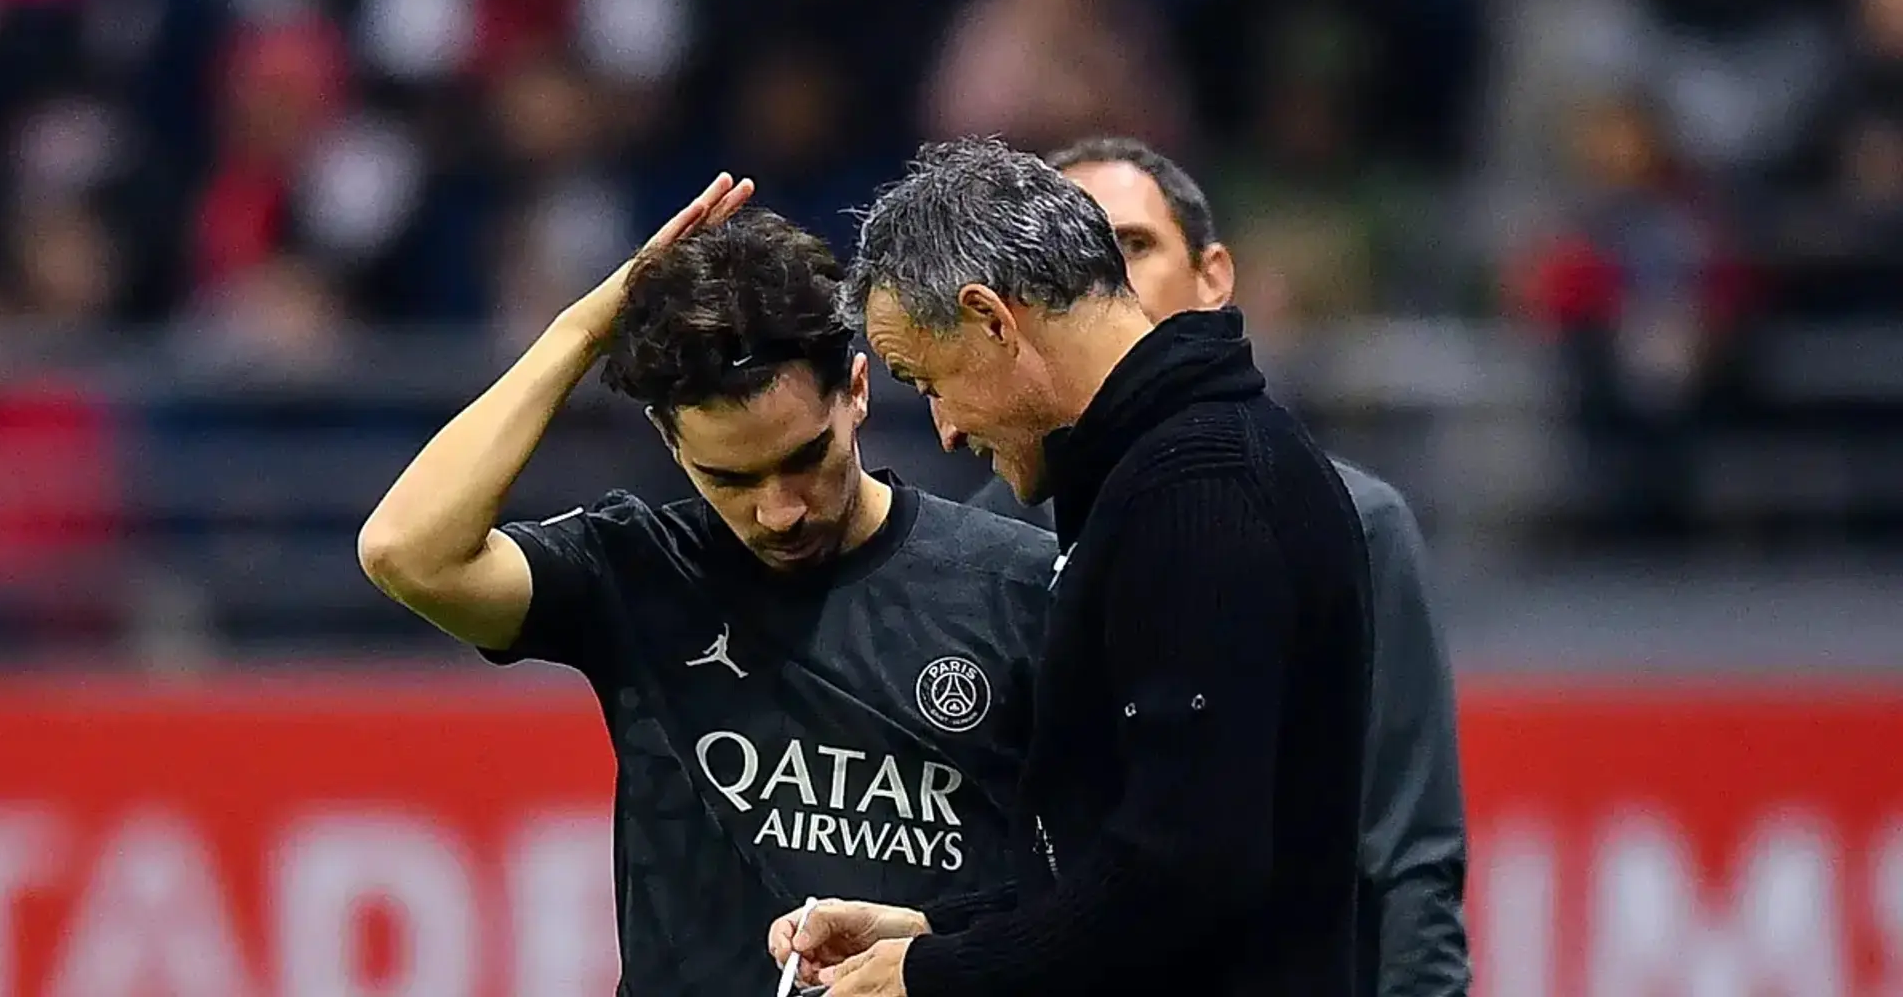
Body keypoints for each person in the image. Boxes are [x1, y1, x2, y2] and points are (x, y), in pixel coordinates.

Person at [357, 176, 1059, 997]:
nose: (780, 510)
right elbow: (407, 551)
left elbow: (1094, 895)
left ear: (857, 392)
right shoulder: (640, 571)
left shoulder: (1019, 584)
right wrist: (586, 328)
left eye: (805, 457)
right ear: (669, 440)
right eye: (731, 477)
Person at [771, 137, 1375, 995]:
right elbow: (1123, 857)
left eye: (930, 381)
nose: (947, 429)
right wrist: (934, 928)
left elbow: (1187, 875)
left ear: (992, 320)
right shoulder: (1174, 471)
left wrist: (936, 973)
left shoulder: (1200, 494)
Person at [966, 136, 1472, 996]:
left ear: (1213, 278)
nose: (1103, 280)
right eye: (1064, 257)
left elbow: (1409, 853)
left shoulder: (1350, 520)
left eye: (1130, 246)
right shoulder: (991, 532)